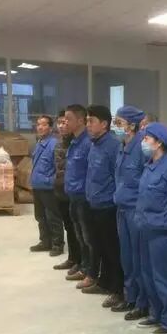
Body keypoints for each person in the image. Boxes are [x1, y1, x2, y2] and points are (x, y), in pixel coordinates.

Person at [134, 123, 167, 334]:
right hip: (146, 227)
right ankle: (156, 313)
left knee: (164, 277)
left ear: (159, 142)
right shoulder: (149, 165)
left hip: (162, 231)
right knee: (148, 274)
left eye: (147, 139)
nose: (143, 142)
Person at [81, 105, 124, 308]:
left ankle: (117, 289)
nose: (88, 125)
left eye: (91, 121)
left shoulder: (113, 146)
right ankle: (104, 282)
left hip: (108, 207)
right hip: (93, 204)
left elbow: (118, 177)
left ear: (104, 124)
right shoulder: (94, 144)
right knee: (99, 247)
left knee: (112, 250)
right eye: (87, 121)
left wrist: (113, 199)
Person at [113, 105, 148, 316]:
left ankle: (143, 302)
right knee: (126, 258)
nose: (115, 127)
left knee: (138, 259)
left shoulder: (142, 148)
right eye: (114, 122)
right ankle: (130, 296)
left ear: (132, 126)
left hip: (136, 211)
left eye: (119, 123)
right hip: (122, 209)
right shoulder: (122, 146)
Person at [63, 104, 95, 287]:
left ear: (80, 120)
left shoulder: (88, 143)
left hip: (84, 197)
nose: (65, 122)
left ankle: (91, 271)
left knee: (88, 237)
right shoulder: (74, 141)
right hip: (73, 195)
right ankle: (83, 265)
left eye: (69, 119)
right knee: (79, 235)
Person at [52, 111, 82, 274]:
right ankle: (72, 258)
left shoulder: (76, 142)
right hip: (60, 190)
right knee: (69, 228)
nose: (63, 125)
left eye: (65, 122)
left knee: (78, 230)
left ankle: (80, 262)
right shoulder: (58, 143)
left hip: (73, 191)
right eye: (60, 122)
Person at [30, 115, 63, 256]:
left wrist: (51, 181)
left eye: (44, 125)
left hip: (48, 187)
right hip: (37, 186)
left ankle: (57, 244)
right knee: (40, 216)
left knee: (52, 217)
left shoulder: (54, 144)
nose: (40, 127)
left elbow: (59, 167)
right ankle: (45, 241)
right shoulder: (39, 143)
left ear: (50, 127)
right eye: (38, 124)